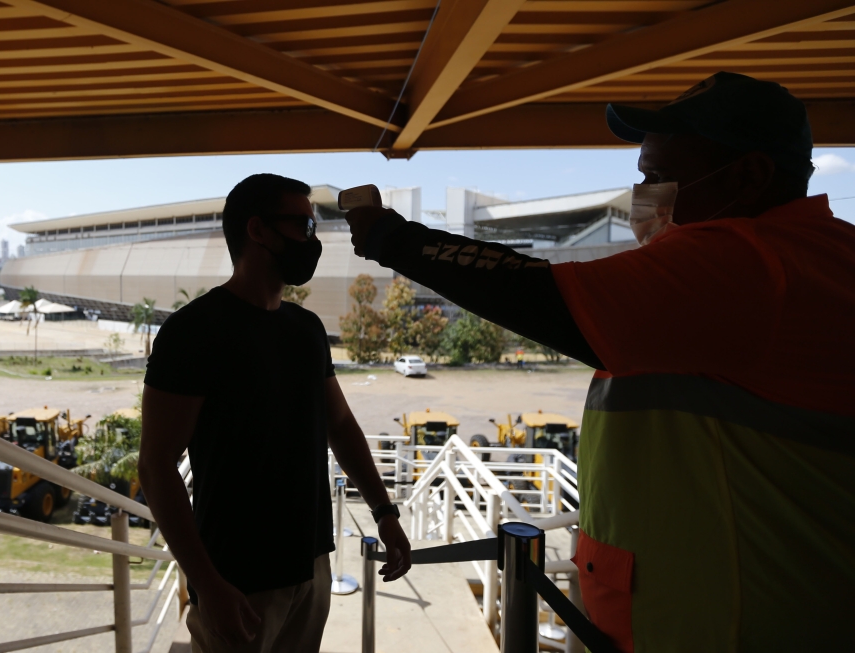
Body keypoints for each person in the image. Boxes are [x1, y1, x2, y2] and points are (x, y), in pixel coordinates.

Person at [346, 72, 855, 651]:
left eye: (661, 177)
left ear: (750, 175)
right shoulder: (804, 259)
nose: (645, 194)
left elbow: (537, 293)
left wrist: (391, 238)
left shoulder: (754, 262)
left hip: (732, 628)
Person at [139, 174, 411, 653]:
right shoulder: (193, 333)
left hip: (311, 564)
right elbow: (156, 465)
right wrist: (206, 583)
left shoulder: (306, 328)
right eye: (304, 227)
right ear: (258, 231)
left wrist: (384, 512)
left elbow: (341, 427)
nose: (314, 240)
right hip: (237, 579)